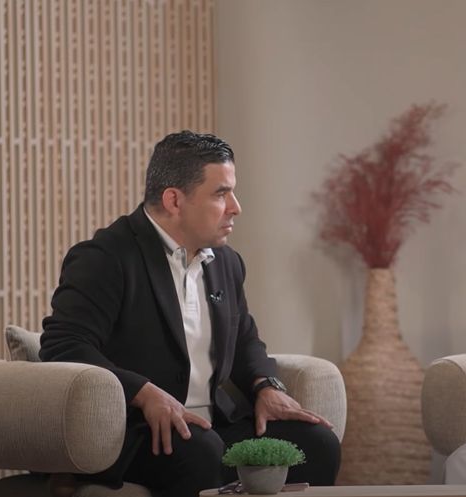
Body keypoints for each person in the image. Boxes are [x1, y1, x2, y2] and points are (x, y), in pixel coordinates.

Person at [40, 130, 341, 497]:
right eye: (221, 194)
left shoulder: (226, 262)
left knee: (317, 443)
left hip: (215, 425)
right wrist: (144, 393)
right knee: (202, 451)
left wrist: (266, 386)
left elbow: (244, 339)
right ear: (174, 200)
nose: (235, 207)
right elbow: (63, 345)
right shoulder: (106, 258)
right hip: (136, 430)